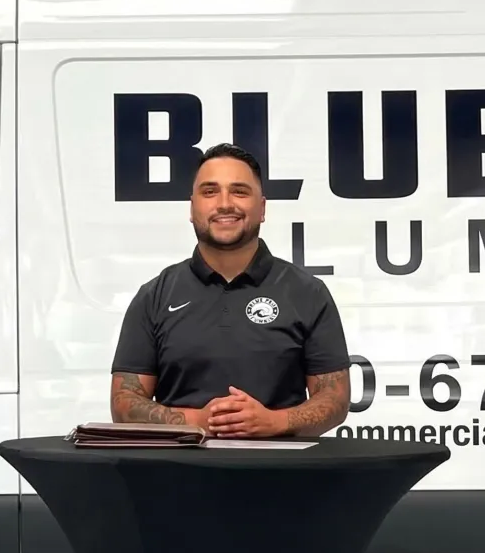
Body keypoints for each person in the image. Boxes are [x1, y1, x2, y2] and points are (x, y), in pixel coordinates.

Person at [109, 143, 352, 438]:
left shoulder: (307, 292)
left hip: (283, 477)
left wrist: (274, 422)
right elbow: (123, 403)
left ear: (262, 209)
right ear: (192, 207)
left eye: (239, 191)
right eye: (210, 192)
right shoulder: (155, 295)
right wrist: (198, 420)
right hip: (177, 476)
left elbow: (335, 400)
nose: (224, 203)